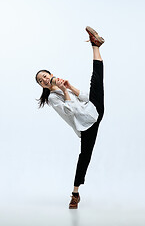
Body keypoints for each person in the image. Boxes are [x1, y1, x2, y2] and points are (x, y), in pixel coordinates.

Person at [35, 26, 105, 209]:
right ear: (42, 85)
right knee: (85, 157)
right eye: (40, 80)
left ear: (50, 74)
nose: (43, 79)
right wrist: (64, 91)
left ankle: (95, 45)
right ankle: (75, 193)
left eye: (44, 75)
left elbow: (85, 98)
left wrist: (70, 86)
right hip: (86, 125)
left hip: (94, 109)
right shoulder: (52, 97)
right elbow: (70, 112)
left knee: (96, 79)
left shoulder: (61, 86)